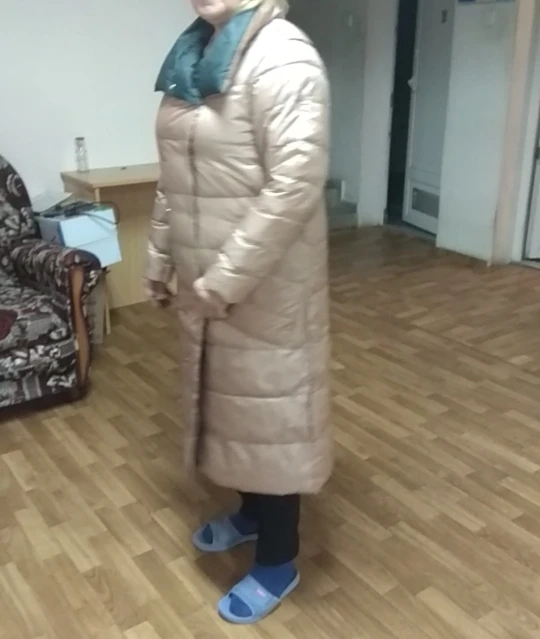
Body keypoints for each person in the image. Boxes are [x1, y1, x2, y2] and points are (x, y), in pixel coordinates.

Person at [145, 0, 332, 624]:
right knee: (232, 410)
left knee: (269, 417)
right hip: (209, 283)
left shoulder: (285, 56)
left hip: (265, 287)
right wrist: (160, 256)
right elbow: (175, 177)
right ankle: (251, 514)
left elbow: (295, 184)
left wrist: (226, 278)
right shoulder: (193, 53)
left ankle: (279, 560)